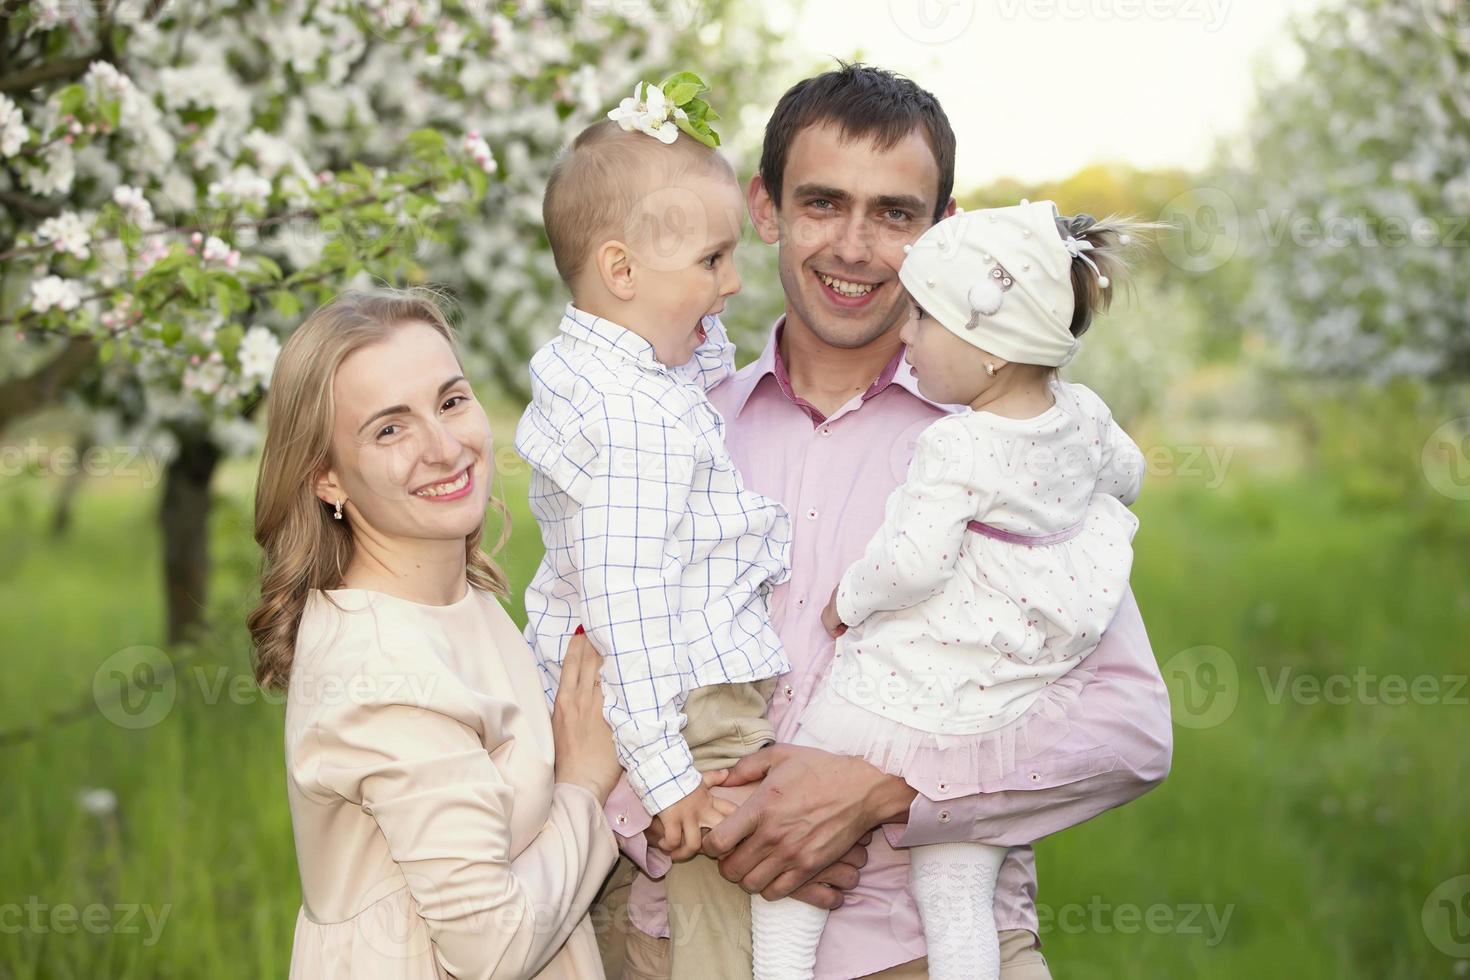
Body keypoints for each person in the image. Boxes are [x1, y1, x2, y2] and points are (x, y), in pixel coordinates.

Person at [595, 64, 1173, 980]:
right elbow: (588, 658)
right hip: (677, 940)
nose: (855, 247)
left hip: (923, 951)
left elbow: (1128, 730)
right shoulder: (674, 427)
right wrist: (691, 810)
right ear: (766, 208)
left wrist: (882, 792)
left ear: (942, 233)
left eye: (895, 215)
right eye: (823, 203)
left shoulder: (1017, 442)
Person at [752, 200, 1149, 979]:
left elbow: (914, 563)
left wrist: (848, 601)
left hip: (895, 694)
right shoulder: (1087, 414)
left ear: (992, 351)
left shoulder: (957, 443)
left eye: (926, 323)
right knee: (961, 885)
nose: (907, 336)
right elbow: (1126, 478)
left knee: (789, 861)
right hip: (997, 706)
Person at [248, 287, 626, 979]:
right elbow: (492, 948)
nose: (445, 448)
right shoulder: (384, 674)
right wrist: (584, 785)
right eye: (390, 429)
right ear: (327, 478)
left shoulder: (455, 599)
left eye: (451, 401)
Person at [515, 83, 795, 964]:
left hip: (644, 708)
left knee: (605, 929)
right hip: (689, 710)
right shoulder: (636, 423)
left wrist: (697, 312)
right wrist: (672, 776)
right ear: (623, 272)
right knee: (726, 941)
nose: (737, 281)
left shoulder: (593, 369)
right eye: (714, 259)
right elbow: (628, 600)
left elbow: (693, 359)